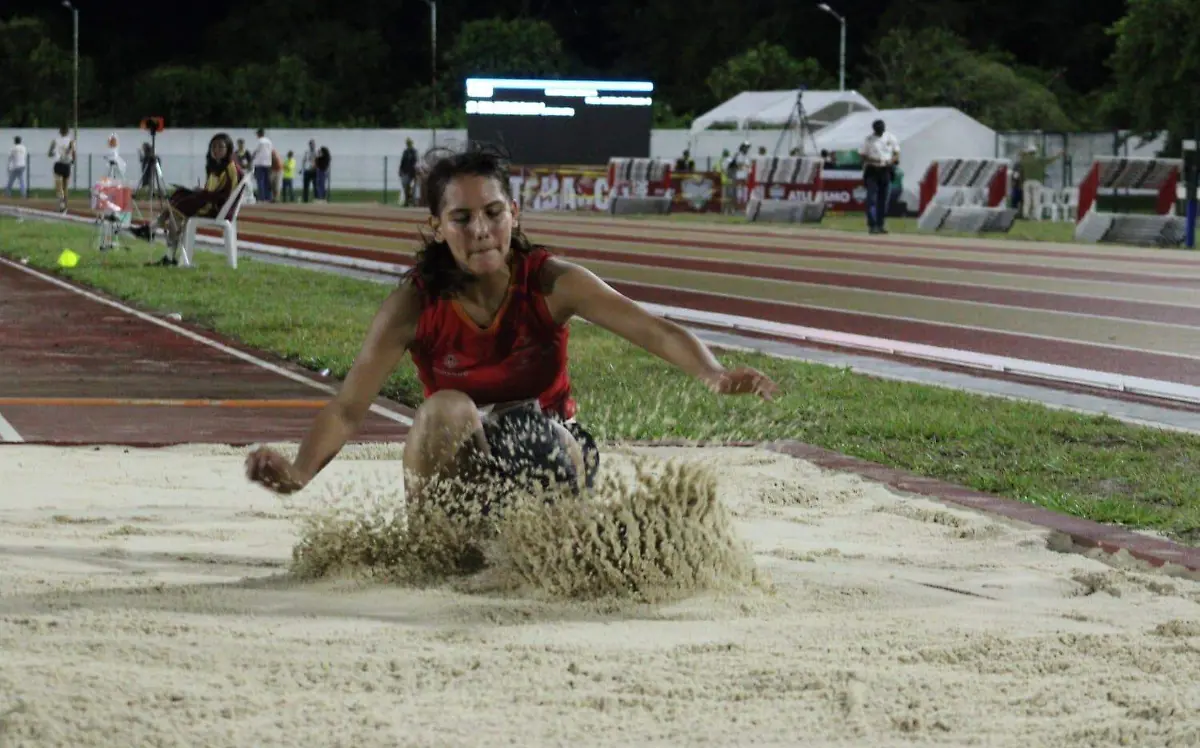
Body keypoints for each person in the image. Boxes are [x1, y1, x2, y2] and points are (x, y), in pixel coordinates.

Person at [245, 145, 777, 507]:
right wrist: (299, 473)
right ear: (436, 227)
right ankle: (438, 547)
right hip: (461, 468)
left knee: (527, 428)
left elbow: (653, 329)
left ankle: (548, 544)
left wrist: (715, 374)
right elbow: (347, 407)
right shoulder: (414, 304)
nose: (480, 231)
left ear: (515, 215)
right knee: (444, 409)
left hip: (552, 452)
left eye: (493, 213)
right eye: (461, 218)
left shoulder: (552, 282)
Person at [130, 132, 243, 265]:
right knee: (177, 198)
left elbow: (225, 195)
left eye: (220, 147)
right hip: (209, 201)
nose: (216, 150)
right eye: (214, 147)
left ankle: (159, 243)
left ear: (228, 148)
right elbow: (213, 190)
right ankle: (153, 234)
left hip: (216, 208)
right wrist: (201, 192)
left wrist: (202, 193)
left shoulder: (231, 168)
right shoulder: (216, 167)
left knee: (177, 208)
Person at [859, 119, 900, 234]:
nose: (880, 132)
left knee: (884, 199)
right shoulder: (869, 140)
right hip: (873, 169)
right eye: (878, 130)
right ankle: (872, 225)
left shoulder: (890, 137)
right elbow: (862, 156)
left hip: (886, 169)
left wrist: (891, 161)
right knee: (872, 198)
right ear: (874, 130)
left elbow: (896, 153)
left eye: (881, 129)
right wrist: (875, 160)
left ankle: (880, 224)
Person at [47, 125, 75, 212]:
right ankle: (65, 206)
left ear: (59, 132)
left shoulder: (55, 141)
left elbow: (49, 153)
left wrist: (55, 154)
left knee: (59, 186)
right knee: (65, 187)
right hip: (66, 165)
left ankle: (61, 204)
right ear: (67, 132)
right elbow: (73, 153)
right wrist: (72, 161)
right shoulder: (71, 141)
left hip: (58, 164)